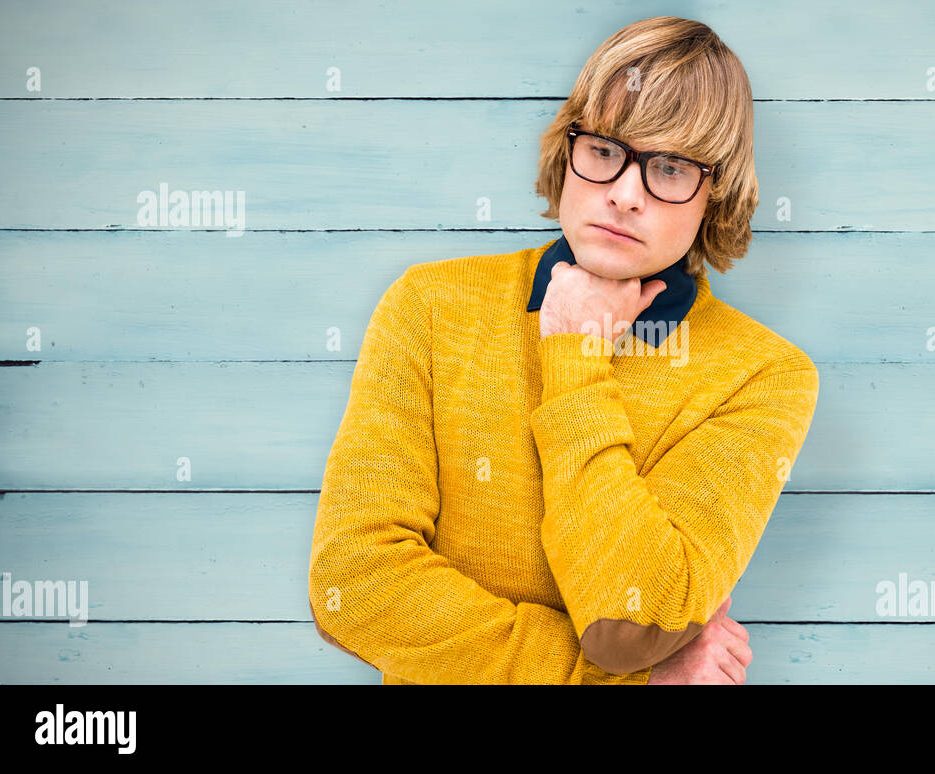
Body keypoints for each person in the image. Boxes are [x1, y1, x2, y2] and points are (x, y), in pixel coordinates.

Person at [308, 16, 819, 684]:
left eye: (668, 167)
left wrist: (574, 359)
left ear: (714, 194)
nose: (625, 194)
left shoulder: (764, 376)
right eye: (606, 150)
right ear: (569, 148)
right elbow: (355, 583)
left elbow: (631, 624)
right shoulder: (432, 307)